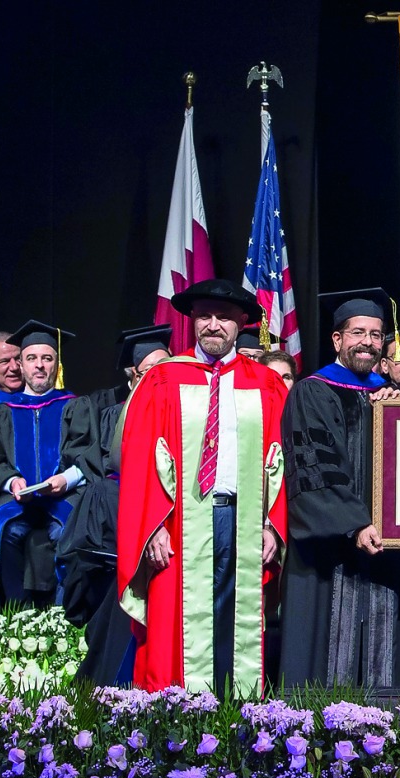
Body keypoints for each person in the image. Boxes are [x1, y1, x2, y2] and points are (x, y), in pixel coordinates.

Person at [117, 280, 287, 696]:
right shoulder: (162, 380)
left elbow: (280, 458)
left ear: (242, 323)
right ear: (192, 320)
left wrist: (271, 524)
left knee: (238, 616)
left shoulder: (265, 383)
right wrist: (153, 526)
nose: (213, 325)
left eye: (224, 317)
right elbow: (141, 459)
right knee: (174, 619)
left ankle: (237, 707)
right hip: (178, 524)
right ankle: (178, 711)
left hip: (244, 518)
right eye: (205, 316)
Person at [280, 288, 400, 690]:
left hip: (385, 545)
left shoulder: (390, 396)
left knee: (383, 651)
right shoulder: (312, 391)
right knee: (326, 649)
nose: (367, 342)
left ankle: (387, 723)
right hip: (329, 550)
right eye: (358, 333)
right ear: (337, 339)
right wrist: (355, 523)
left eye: (375, 335)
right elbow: (314, 467)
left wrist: (398, 412)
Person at [61, 324, 171, 685]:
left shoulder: (187, 409)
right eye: (149, 370)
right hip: (122, 515)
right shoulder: (116, 414)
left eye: (165, 366)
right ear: (133, 376)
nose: (158, 376)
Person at [0, 320, 98, 612]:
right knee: (0, 529)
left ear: (57, 364)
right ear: (21, 364)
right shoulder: (3, 412)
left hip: (64, 497)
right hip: (18, 500)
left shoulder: (74, 406)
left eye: (47, 358)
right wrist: (12, 482)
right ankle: (15, 614)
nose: (40, 365)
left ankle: (63, 614)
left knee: (70, 530)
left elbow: (88, 454)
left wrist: (66, 480)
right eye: (32, 358)